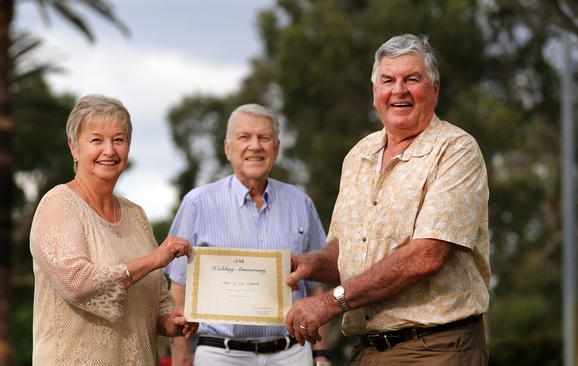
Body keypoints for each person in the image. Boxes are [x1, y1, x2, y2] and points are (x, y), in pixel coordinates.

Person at [285, 34, 490, 365]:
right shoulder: (358, 155)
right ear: (374, 94)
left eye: (412, 79)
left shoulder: (455, 150)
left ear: (434, 90)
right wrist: (312, 264)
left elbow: (427, 255)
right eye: (388, 80)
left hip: (436, 348)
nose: (399, 90)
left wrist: (329, 303)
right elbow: (347, 252)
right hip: (366, 350)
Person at [29, 94, 198, 365]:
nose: (109, 150)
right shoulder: (59, 204)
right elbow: (77, 284)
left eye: (118, 140)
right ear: (74, 147)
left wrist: (169, 321)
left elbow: (158, 297)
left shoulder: (136, 215)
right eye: (96, 140)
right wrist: (155, 258)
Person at [165, 103, 332, 366]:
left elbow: (315, 288)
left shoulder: (301, 203)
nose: (255, 146)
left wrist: (321, 354)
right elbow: (179, 289)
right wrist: (181, 357)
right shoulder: (197, 203)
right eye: (244, 137)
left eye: (264, 137)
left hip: (292, 353)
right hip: (220, 355)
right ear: (227, 148)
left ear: (276, 149)